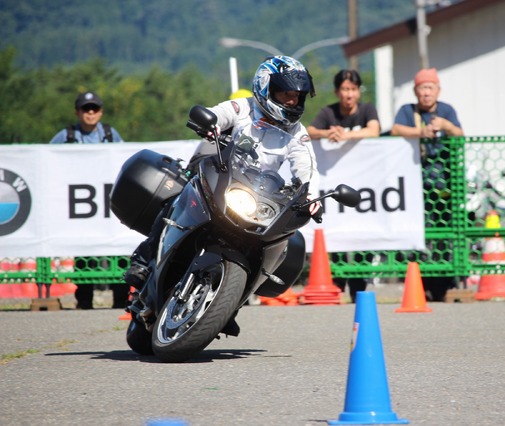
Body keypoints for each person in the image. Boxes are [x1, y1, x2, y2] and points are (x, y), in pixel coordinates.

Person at [124, 56, 321, 334]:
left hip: (257, 191)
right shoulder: (244, 108)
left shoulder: (296, 133)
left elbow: (306, 165)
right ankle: (144, 260)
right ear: (266, 88)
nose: (292, 101)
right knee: (179, 195)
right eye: (286, 94)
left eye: (297, 96)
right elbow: (217, 114)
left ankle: (228, 302)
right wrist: (211, 124)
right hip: (220, 171)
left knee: (270, 239)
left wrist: (309, 193)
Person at [50, 91, 128, 310]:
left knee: (118, 250)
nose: (90, 113)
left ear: (101, 112)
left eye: (94, 108)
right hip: (81, 203)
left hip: (108, 200)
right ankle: (84, 300)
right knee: (85, 250)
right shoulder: (66, 135)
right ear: (78, 112)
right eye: (86, 109)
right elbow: (47, 158)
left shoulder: (111, 134)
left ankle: (121, 299)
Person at [307, 69, 380, 302]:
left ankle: (359, 284)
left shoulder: (367, 109)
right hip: (337, 186)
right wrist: (327, 132)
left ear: (358, 92)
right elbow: (310, 131)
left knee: (362, 234)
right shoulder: (329, 112)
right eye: (345, 89)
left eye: (353, 89)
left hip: (364, 186)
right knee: (337, 232)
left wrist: (346, 136)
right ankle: (336, 282)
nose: (349, 95)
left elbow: (375, 130)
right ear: (338, 92)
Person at [391, 68, 464, 301]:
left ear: (438, 90)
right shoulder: (407, 111)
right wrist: (421, 132)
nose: (426, 93)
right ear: (416, 91)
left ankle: (442, 282)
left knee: (443, 234)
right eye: (422, 88)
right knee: (419, 234)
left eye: (430, 87)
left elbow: (460, 135)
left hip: (444, 184)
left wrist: (445, 126)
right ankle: (419, 281)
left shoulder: (447, 111)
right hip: (415, 184)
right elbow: (395, 130)